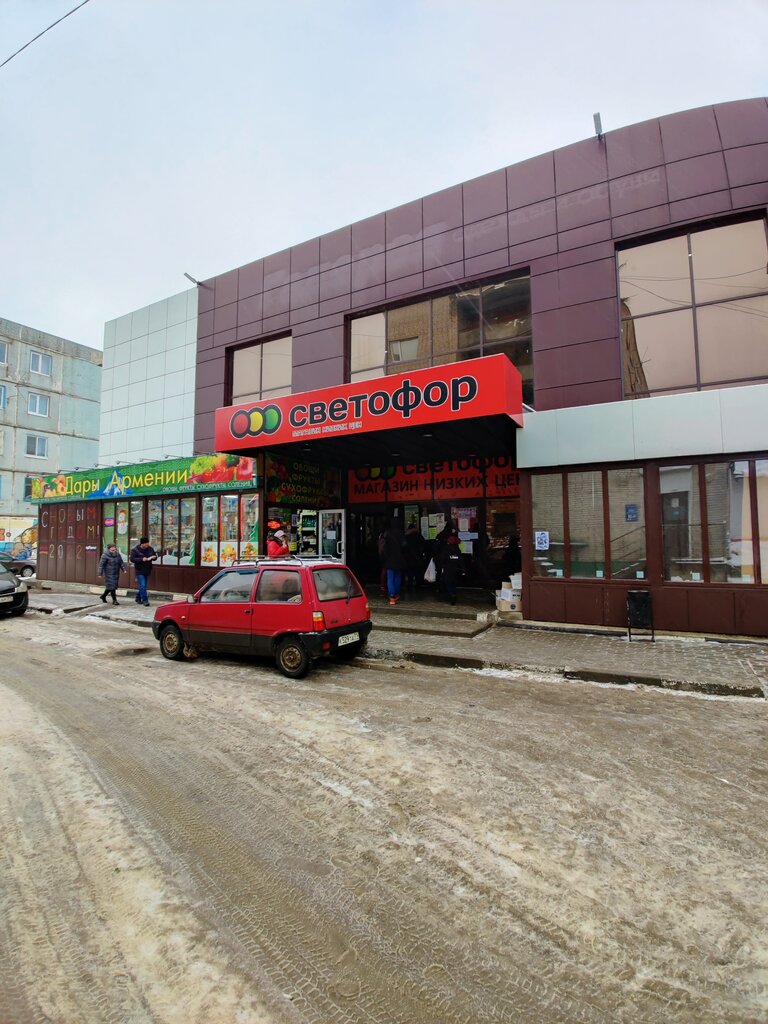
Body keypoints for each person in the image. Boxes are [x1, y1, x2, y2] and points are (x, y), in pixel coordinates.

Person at [380, 519, 407, 605]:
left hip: (389, 560)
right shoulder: (401, 533)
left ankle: (392, 597)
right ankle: (396, 594)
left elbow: (384, 547)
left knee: (390, 578)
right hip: (399, 559)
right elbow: (405, 546)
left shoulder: (387, 534)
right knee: (397, 577)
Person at [129, 536, 158, 606]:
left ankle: (138, 597)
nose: (147, 545)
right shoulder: (135, 550)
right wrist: (141, 559)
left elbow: (154, 556)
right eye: (146, 544)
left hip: (148, 569)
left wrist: (154, 557)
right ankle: (145, 600)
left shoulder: (150, 548)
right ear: (142, 544)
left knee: (144, 586)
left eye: (148, 543)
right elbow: (132, 559)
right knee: (142, 585)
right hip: (139, 570)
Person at [438, 532, 464, 605]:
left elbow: (442, 559)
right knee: (453, 583)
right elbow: (460, 559)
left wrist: (440, 565)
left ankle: (452, 594)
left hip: (447, 568)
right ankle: (453, 593)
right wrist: (463, 569)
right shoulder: (457, 549)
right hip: (456, 569)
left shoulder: (446, 548)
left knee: (448, 582)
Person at [404, 520, 426, 591]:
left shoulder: (406, 537)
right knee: (417, 572)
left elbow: (403, 547)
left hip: (408, 558)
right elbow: (423, 546)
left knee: (409, 573)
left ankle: (409, 585)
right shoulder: (420, 537)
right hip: (418, 558)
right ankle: (418, 585)